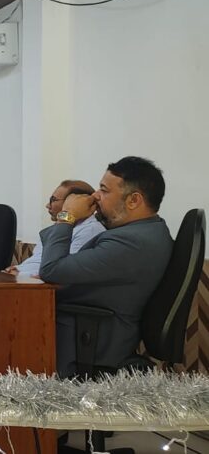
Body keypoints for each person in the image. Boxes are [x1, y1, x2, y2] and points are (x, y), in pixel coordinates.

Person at [39, 157, 173, 377]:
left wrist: (67, 216)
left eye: (104, 190)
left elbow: (51, 270)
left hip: (85, 343)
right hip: (82, 332)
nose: (95, 195)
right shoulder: (146, 232)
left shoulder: (130, 243)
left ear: (133, 200)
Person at [6, 180, 105, 277]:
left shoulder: (91, 230)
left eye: (53, 200)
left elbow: (63, 271)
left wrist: (21, 274)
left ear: (75, 203)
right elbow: (37, 260)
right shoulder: (56, 228)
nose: (47, 205)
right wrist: (18, 269)